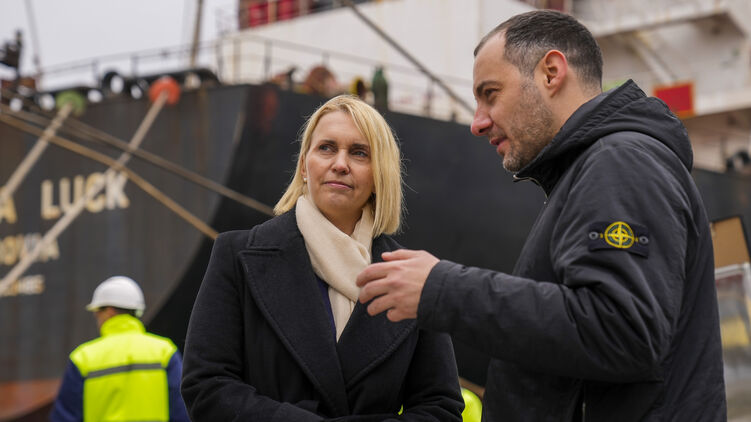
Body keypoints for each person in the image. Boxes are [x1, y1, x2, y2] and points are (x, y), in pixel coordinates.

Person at [356, 10, 726, 421]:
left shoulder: (619, 162)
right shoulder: (598, 166)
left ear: (551, 73)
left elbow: (622, 330)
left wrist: (443, 290)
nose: (477, 123)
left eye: (490, 93)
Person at [181, 95, 463, 421]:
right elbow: (206, 387)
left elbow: (441, 408)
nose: (340, 164)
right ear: (304, 166)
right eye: (326, 148)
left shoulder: (413, 277)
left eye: (359, 153)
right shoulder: (237, 256)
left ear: (379, 174)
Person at [50, 276, 189, 422]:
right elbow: (183, 411)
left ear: (109, 311)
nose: (96, 318)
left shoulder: (83, 358)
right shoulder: (164, 352)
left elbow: (65, 417)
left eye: (97, 313)